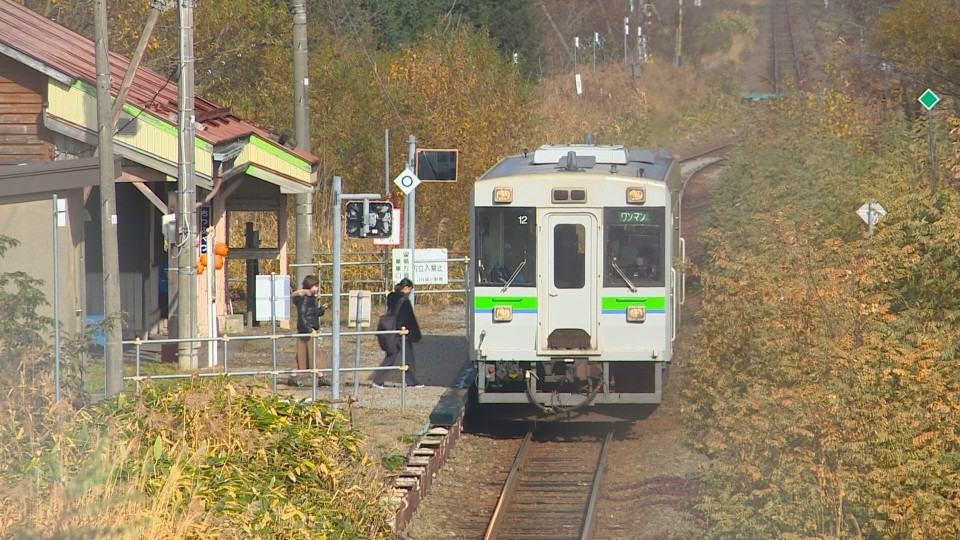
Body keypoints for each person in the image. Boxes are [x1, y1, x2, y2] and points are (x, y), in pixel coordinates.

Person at [371, 278, 424, 388]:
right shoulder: (404, 301)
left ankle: (377, 380)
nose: (410, 292)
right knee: (408, 357)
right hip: (402, 331)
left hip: (392, 330)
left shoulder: (392, 297)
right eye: (410, 289)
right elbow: (409, 319)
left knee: (391, 355)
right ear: (406, 288)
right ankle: (411, 382)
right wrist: (415, 335)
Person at [290, 275, 329, 387]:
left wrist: (321, 309)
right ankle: (321, 377)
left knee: (304, 355)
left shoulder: (309, 298)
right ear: (310, 285)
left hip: (306, 329)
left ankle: (294, 375)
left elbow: (311, 313)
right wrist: (309, 329)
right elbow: (302, 315)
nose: (317, 288)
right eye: (315, 286)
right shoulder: (305, 299)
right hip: (307, 330)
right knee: (314, 353)